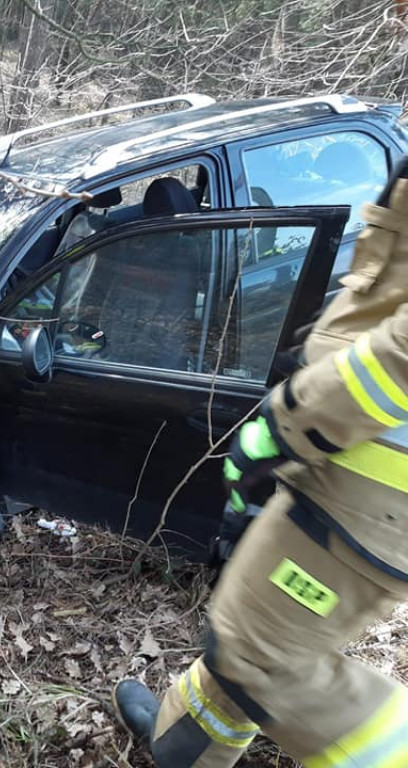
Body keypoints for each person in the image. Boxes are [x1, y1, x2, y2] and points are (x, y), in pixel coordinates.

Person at [112, 157, 408, 765]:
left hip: (371, 491)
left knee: (258, 656)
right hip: (342, 466)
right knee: (248, 627)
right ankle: (179, 746)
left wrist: (289, 423)